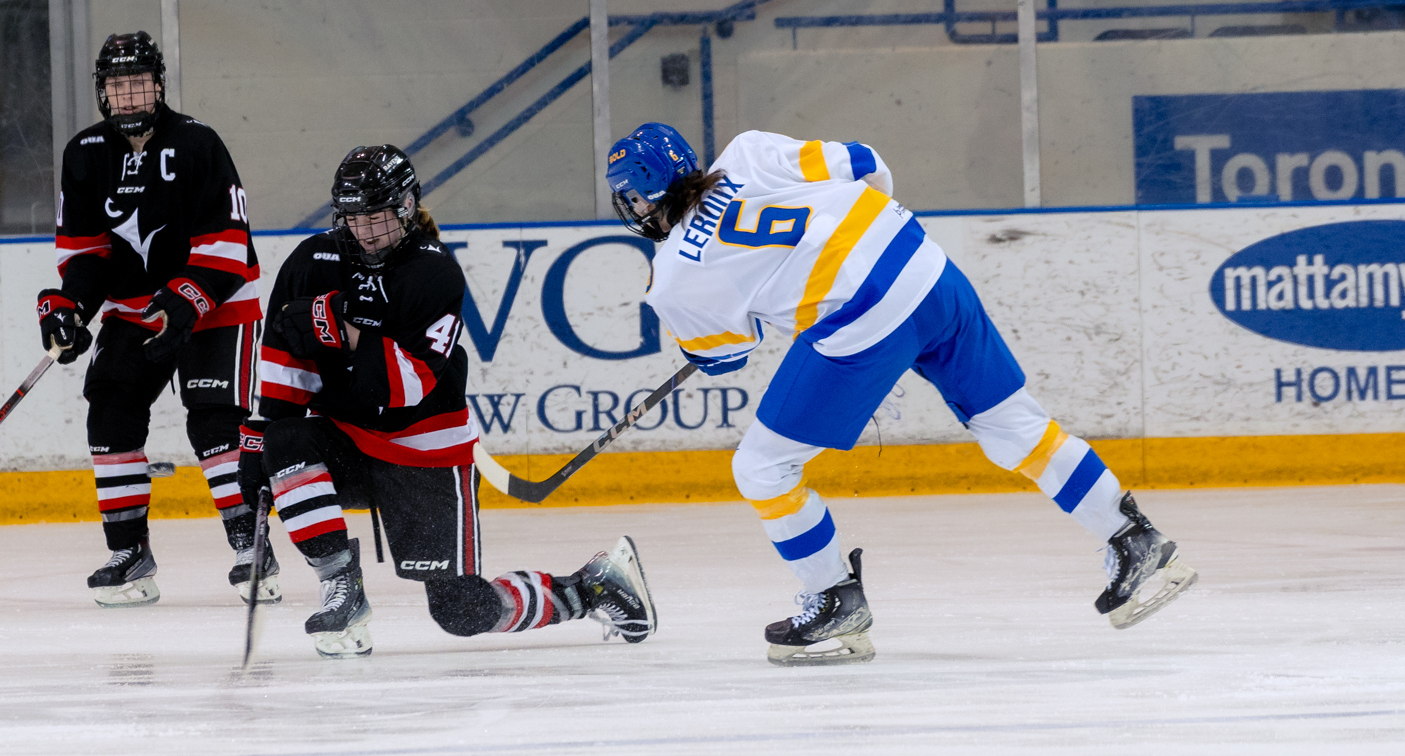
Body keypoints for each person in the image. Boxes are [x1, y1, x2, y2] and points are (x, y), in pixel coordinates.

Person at [606, 124, 1197, 666]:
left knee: (762, 469)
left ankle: (833, 598)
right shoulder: (748, 151)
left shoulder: (675, 275)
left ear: (646, 194)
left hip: (865, 322)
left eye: (629, 195)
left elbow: (728, 352)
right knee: (1012, 425)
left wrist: (709, 344)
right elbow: (865, 161)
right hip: (926, 267)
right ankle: (1136, 540)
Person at [236, 143, 656, 658]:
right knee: (284, 440)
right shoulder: (311, 260)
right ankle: (341, 589)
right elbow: (284, 357)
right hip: (344, 439)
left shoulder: (432, 272)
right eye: (353, 217)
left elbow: (402, 387)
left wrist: (339, 326)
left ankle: (590, 589)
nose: (365, 230)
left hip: (425, 453)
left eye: (377, 216)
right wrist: (259, 442)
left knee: (460, 611)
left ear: (407, 206)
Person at [37, 32, 263, 606]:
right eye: (118, 83)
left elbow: (229, 246)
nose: (129, 92)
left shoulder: (198, 144)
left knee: (214, 424)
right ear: (102, 92)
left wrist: (188, 298)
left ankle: (250, 548)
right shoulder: (84, 153)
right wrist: (69, 308)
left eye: (139, 80)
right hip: (137, 312)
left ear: (159, 85)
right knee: (110, 409)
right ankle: (130, 554)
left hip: (216, 308)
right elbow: (88, 255)